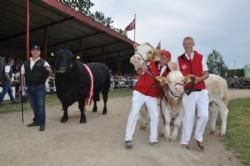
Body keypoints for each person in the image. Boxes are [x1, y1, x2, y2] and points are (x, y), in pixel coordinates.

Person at [124, 50, 171, 149]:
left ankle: (153, 139)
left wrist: (164, 85)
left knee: (155, 115)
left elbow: (166, 87)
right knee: (134, 113)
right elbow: (139, 72)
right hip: (140, 91)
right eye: (161, 57)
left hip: (152, 96)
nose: (162, 59)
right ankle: (128, 138)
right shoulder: (151, 63)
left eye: (165, 58)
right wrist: (141, 68)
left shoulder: (168, 72)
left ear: (168, 60)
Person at [177, 36, 209, 151]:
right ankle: (184, 142)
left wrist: (198, 79)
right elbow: (179, 77)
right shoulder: (179, 59)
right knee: (188, 117)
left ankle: (198, 136)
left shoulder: (200, 57)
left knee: (204, 115)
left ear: (193, 44)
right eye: (185, 43)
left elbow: (207, 74)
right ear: (183, 45)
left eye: (190, 43)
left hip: (202, 90)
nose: (188, 45)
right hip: (188, 93)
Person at [21, 45, 52, 131]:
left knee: (40, 106)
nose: (35, 52)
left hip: (40, 87)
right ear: (31, 51)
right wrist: (22, 87)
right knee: (33, 105)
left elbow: (50, 72)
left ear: (39, 52)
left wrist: (48, 72)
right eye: (34, 50)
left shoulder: (44, 62)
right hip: (29, 87)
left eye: (37, 50)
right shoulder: (26, 63)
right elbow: (22, 75)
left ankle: (42, 123)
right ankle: (36, 121)